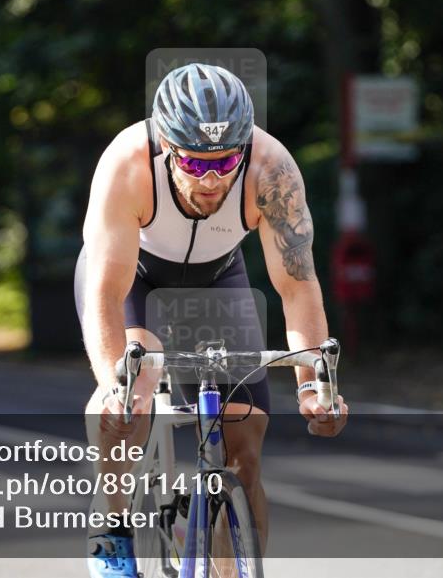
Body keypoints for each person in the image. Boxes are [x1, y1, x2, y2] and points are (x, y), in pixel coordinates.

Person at [74, 63, 349, 577]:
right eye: (196, 164)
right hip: (134, 278)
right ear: (167, 148)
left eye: (225, 161)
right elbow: (106, 294)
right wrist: (116, 385)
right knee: (132, 392)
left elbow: (297, 284)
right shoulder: (128, 164)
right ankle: (112, 532)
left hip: (219, 277)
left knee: (244, 454)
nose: (212, 178)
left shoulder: (271, 169)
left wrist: (314, 385)